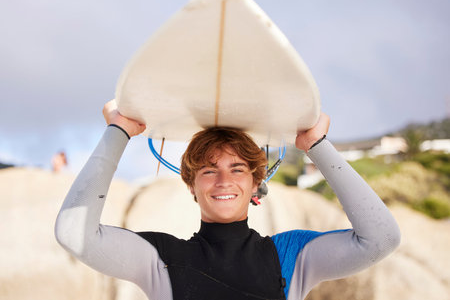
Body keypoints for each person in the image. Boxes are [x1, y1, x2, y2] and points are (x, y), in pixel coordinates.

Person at [55, 99, 400, 300]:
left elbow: (381, 239)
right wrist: (118, 131)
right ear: (191, 186)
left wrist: (316, 145)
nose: (223, 180)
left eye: (237, 169)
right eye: (208, 171)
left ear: (255, 184)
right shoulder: (160, 258)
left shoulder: (289, 256)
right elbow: (75, 234)